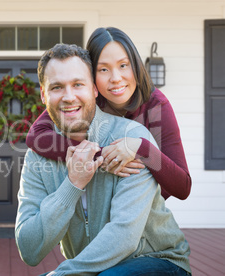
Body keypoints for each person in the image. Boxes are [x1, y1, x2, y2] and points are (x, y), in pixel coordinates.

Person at [15, 43, 191, 275]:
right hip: (89, 268)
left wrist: (60, 274)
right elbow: (29, 250)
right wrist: (73, 184)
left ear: (94, 90)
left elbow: (124, 235)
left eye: (78, 84)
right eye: (57, 87)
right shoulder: (38, 156)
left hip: (157, 259)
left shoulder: (131, 139)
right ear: (43, 94)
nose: (69, 97)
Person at [26, 27, 191, 200]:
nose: (116, 78)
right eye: (103, 69)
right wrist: (104, 156)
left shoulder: (156, 106)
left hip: (141, 207)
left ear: (135, 65)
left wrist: (141, 148)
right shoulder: (86, 100)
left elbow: (182, 186)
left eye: (123, 65)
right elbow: (35, 136)